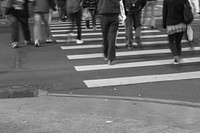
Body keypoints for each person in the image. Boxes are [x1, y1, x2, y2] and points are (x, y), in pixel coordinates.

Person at [163, 0, 187, 64]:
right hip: (181, 23)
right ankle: (178, 55)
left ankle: (175, 55)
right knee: (178, 42)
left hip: (171, 23)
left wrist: (164, 25)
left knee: (171, 41)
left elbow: (164, 12)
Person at [98, 0, 120, 65]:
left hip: (104, 12)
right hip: (114, 13)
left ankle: (106, 54)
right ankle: (111, 58)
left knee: (105, 35)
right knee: (112, 36)